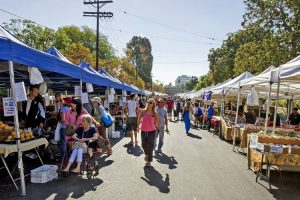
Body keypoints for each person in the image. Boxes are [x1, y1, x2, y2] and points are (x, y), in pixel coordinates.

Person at [138, 98, 160, 167]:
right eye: (148, 102)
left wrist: (159, 129)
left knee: (150, 146)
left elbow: (157, 121)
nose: (149, 103)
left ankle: (149, 161)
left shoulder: (154, 113)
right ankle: (147, 155)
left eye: (151, 102)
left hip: (152, 131)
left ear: (153, 104)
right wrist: (137, 127)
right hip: (143, 130)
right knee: (143, 145)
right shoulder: (143, 111)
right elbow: (138, 119)